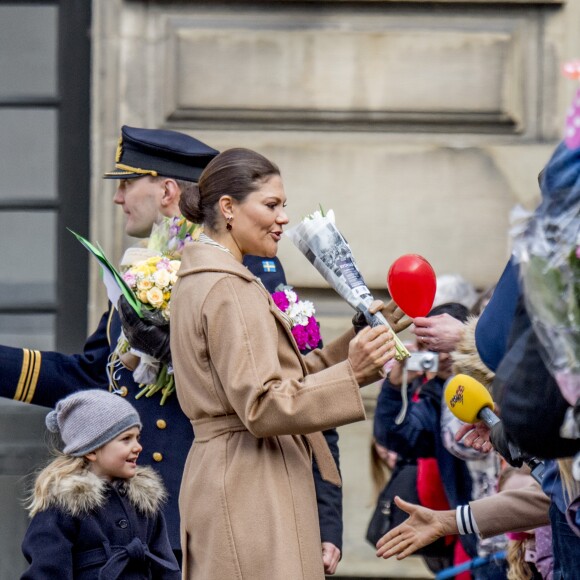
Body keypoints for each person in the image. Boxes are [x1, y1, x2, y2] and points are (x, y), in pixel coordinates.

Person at [0, 126, 360, 570]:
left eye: (129, 183)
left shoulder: (250, 273)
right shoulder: (140, 278)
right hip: (136, 517)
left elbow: (299, 390)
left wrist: (326, 519)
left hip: (231, 506)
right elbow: (94, 377)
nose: (119, 198)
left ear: (167, 189)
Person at [169, 147, 397, 579]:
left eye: (284, 206)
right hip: (250, 481)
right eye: (271, 205)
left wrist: (357, 340)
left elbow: (280, 377)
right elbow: (261, 404)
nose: (283, 218)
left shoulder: (205, 279)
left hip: (236, 472)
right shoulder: (227, 288)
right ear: (228, 208)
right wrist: (353, 374)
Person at [21, 389, 180, 579]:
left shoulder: (145, 505)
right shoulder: (62, 508)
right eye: (126, 439)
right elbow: (46, 574)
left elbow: (168, 570)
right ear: (92, 450)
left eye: (137, 437)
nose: (138, 447)